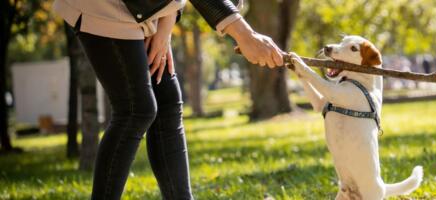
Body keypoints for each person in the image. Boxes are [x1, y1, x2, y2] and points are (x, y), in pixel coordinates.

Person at [52, 0, 284, 199]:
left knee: (167, 104)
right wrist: (246, 35)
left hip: (144, 9)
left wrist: (164, 27)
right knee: (136, 109)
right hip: (105, 6)